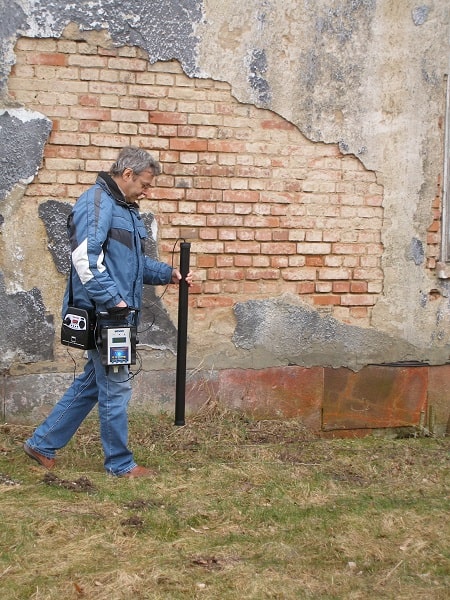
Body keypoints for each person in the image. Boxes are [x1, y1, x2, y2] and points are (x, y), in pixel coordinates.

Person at [24, 146, 193, 478]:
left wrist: (166, 273)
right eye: (145, 184)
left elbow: (131, 264)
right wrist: (113, 301)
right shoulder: (97, 204)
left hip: (116, 314)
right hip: (108, 316)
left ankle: (42, 443)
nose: (148, 191)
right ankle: (120, 464)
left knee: (92, 382)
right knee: (116, 387)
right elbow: (84, 259)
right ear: (127, 174)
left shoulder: (124, 208)